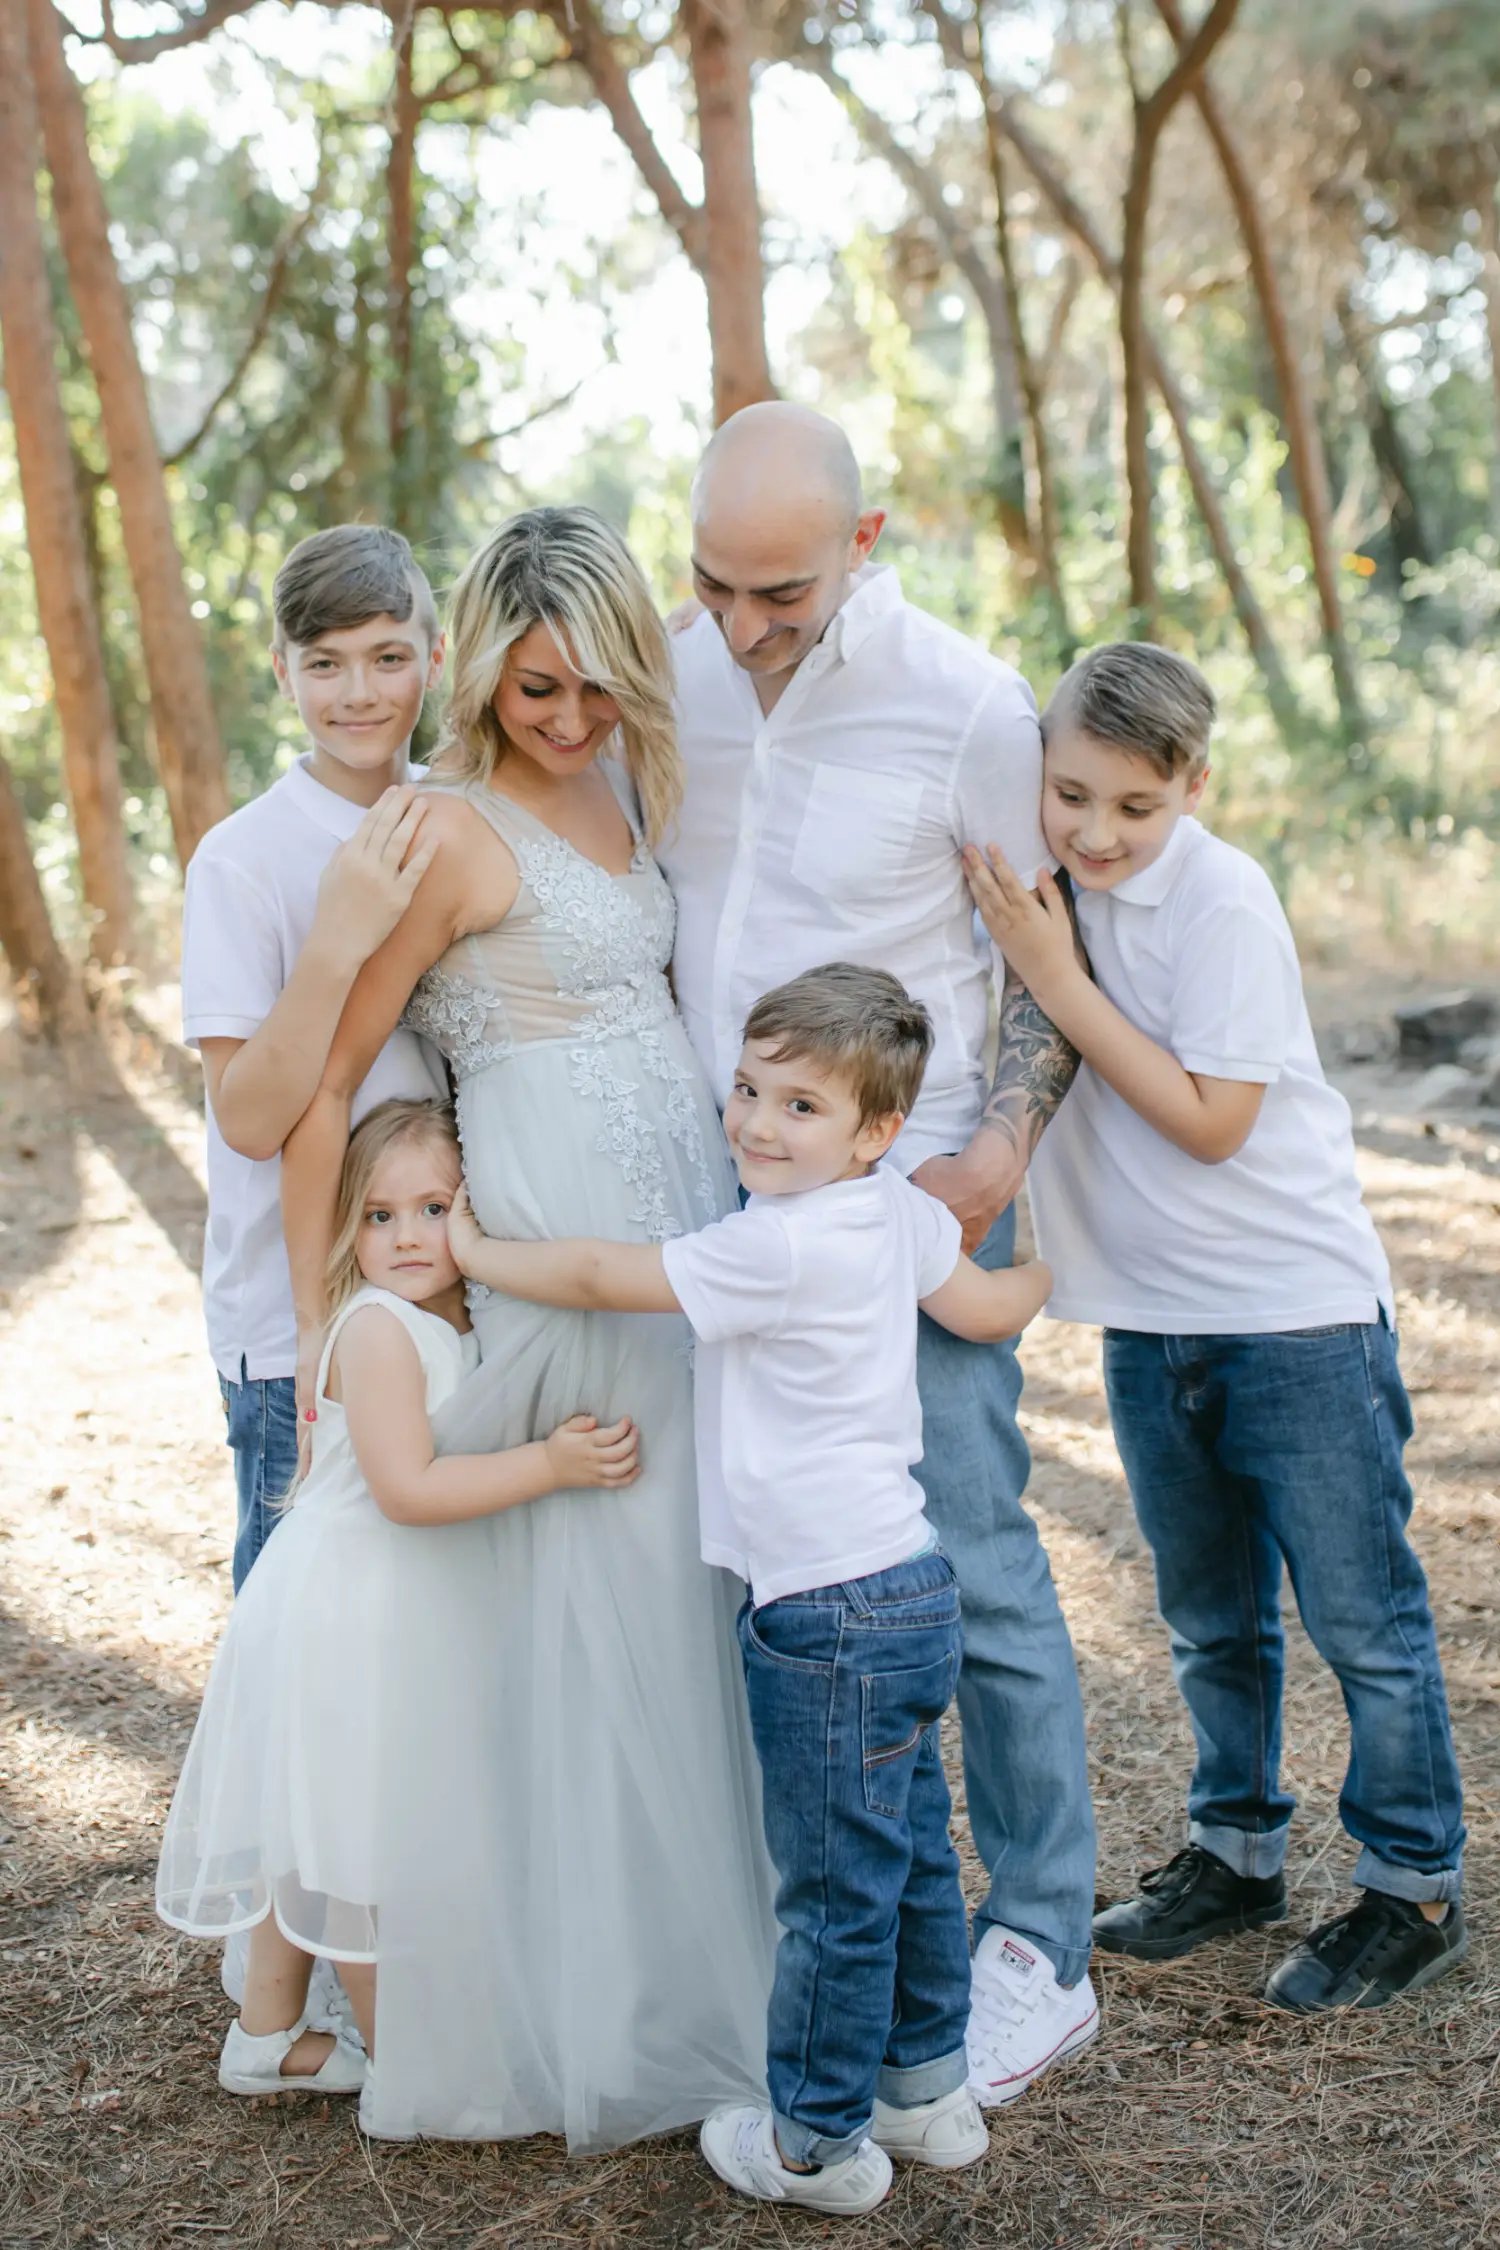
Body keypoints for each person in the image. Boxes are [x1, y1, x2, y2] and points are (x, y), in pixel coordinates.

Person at [277, 505, 776, 2146]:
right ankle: (585, 2008)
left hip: (675, 1232)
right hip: (550, 1240)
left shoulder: (628, 779)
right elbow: (331, 1081)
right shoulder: (447, 833)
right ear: (486, 668)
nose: (565, 721)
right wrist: (319, 1327)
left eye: (593, 689)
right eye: (536, 690)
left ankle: (703, 1961)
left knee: (686, 1583)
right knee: (587, 1594)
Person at [448, 963, 1055, 2215]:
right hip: (909, 1584)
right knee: (911, 1857)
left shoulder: (772, 1243)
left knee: (832, 1887)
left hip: (822, 1614)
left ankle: (813, 2144)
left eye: (799, 1108)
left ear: (877, 1132)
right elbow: (991, 1311)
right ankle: (928, 2090)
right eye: (747, 1089)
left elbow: (609, 1279)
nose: (756, 1124)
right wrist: (1050, 1254)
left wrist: (475, 1249)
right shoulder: (895, 1213)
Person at [663, 402, 1099, 2102]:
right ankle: (837, 1933)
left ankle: (1039, 1946)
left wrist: (998, 1151)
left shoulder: (974, 710)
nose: (746, 627)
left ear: (869, 542)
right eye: (716, 584)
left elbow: (1053, 970)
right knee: (773, 1582)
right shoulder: (680, 674)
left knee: (975, 1569)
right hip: (727, 1217)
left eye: (782, 591)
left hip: (899, 1222)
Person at [965, 640, 1468, 2014]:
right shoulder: (1047, 881)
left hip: (1292, 1315)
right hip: (1153, 1320)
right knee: (1209, 1615)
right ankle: (1236, 1850)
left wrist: (1059, 980)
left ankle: (1414, 1882)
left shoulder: (1223, 899)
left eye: (1137, 804)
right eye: (1072, 795)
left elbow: (1209, 1121)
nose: (1098, 830)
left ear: (1196, 784)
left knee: (1362, 1616)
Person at [157, 1099, 640, 2111]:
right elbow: (408, 1490)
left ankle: (264, 2036)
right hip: (348, 1614)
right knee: (360, 1844)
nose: (410, 1236)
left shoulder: (440, 1321)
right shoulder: (377, 1329)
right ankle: (407, 2067)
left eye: (432, 1208)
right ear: (347, 1229)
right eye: (379, 1217)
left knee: (316, 1822)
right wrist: (550, 1464)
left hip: (368, 1609)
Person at [182, 523, 446, 1592]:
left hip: (439, 1287)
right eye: (326, 664)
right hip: (293, 1322)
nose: (359, 693)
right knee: (298, 1602)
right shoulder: (241, 860)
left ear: (434, 655)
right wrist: (337, 937)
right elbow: (247, 1117)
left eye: (389, 657)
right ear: (282, 668)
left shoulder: (458, 813)